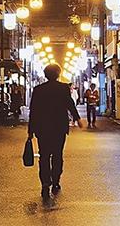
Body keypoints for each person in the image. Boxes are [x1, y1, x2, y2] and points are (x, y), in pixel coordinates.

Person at [28, 64, 82, 199]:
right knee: (57, 155)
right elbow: (70, 104)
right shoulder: (63, 88)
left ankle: (45, 183)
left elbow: (33, 111)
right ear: (58, 74)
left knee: (44, 156)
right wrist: (77, 118)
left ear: (45, 75)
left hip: (42, 128)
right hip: (59, 128)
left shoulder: (38, 90)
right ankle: (56, 181)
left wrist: (31, 130)